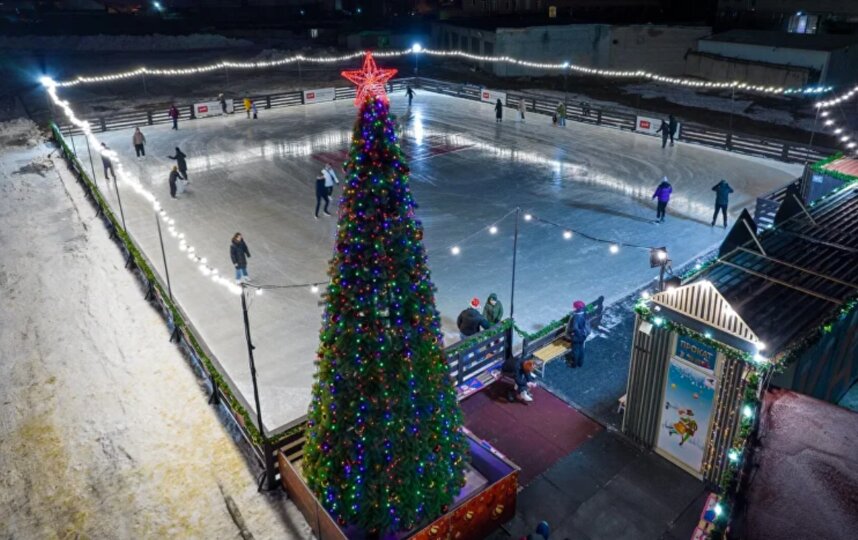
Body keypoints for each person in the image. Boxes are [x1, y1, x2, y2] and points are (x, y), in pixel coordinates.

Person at [564, 300, 591, 368]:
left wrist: (571, 333)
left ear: (577, 308)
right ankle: (580, 363)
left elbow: (574, 328)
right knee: (581, 349)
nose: (574, 308)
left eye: (575, 307)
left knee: (575, 351)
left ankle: (574, 364)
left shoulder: (576, 317)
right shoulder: (585, 314)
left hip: (577, 337)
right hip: (584, 335)